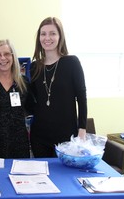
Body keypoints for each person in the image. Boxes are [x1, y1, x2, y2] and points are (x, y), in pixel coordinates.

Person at [28, 17, 87, 158]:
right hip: (39, 137)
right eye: (43, 34)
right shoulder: (34, 66)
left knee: (64, 178)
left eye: (52, 33)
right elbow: (32, 103)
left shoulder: (72, 62)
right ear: (39, 38)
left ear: (60, 36)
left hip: (66, 137)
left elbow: (82, 98)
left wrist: (82, 129)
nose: (47, 38)